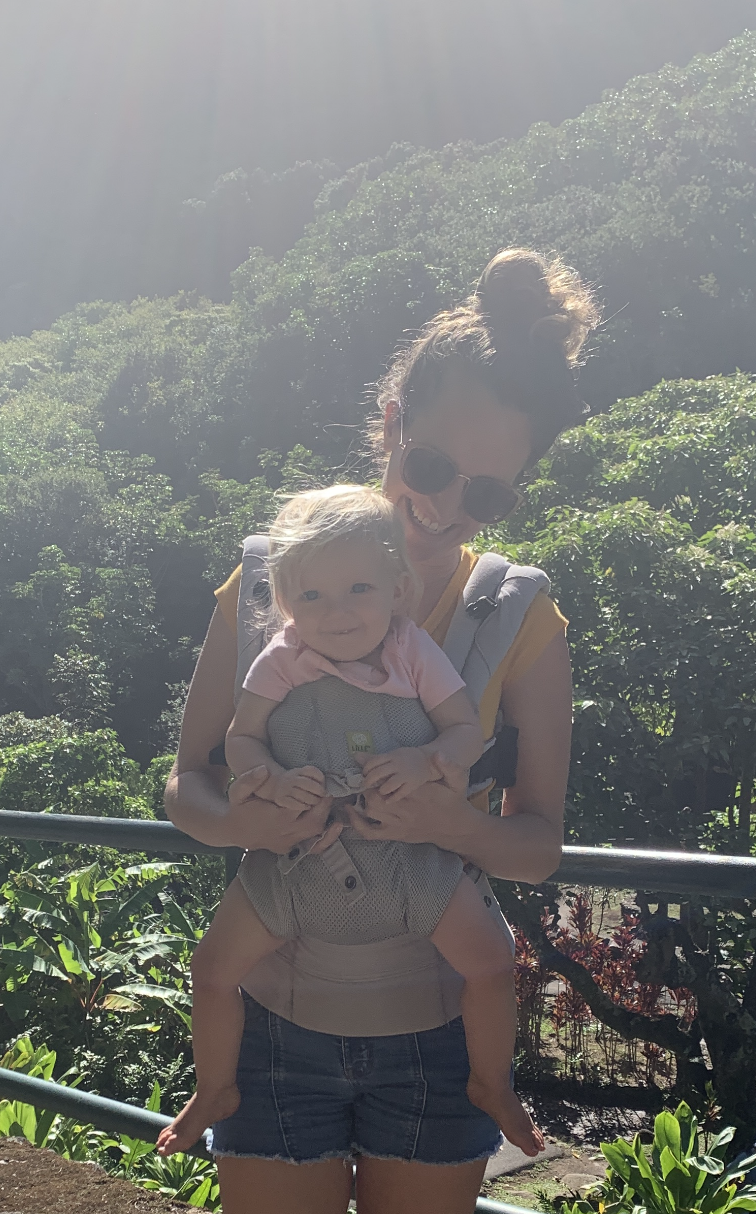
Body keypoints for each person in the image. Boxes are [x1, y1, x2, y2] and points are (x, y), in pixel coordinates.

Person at [164, 247, 597, 1214]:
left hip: (427, 1050)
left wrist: (455, 822)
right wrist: (254, 816)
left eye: (486, 490)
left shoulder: (522, 618)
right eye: (430, 462)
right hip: (280, 1032)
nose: (443, 507)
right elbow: (189, 782)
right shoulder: (277, 579)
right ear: (391, 420)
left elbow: (539, 835)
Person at [158, 484, 535, 1159]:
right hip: (296, 863)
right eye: (312, 598)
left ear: (397, 590)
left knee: (492, 963)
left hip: (413, 862)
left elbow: (462, 733)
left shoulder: (412, 651)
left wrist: (425, 763)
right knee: (212, 968)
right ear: (284, 604)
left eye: (359, 589)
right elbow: (239, 741)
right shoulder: (280, 659)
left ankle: (491, 1081)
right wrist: (265, 779)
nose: (336, 614)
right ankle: (213, 1087)